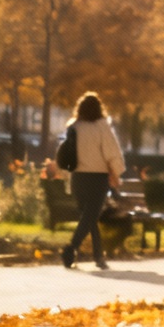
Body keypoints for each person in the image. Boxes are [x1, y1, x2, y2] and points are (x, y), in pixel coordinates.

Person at [60, 93, 126, 270]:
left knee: (88, 218)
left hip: (78, 178)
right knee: (90, 217)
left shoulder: (74, 126)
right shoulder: (102, 127)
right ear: (99, 108)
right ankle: (71, 248)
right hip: (97, 178)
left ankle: (99, 257)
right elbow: (111, 152)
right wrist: (116, 173)